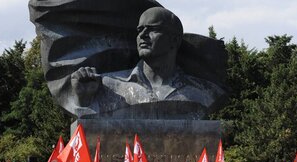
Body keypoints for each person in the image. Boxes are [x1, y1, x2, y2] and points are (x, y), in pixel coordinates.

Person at [29, 3, 228, 119]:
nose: (143, 36)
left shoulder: (203, 91)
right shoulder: (106, 86)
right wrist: (85, 100)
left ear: (175, 40)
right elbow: (89, 122)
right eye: (140, 30)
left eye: (152, 29)